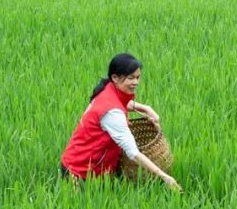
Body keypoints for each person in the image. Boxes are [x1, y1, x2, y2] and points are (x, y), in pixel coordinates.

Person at [60, 53, 181, 191]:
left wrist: (144, 108)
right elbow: (133, 153)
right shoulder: (112, 114)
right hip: (78, 173)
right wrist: (165, 177)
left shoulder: (107, 88)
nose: (135, 82)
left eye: (138, 77)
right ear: (115, 78)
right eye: (130, 78)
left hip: (94, 168)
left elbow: (119, 101)